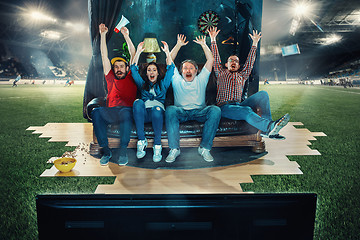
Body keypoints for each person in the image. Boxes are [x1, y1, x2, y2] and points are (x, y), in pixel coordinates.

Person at [208, 26, 290, 140]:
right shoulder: (220, 72)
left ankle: (267, 129)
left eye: (236, 61)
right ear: (226, 64)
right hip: (225, 107)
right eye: (231, 60)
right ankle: (268, 127)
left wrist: (255, 43)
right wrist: (213, 40)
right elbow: (216, 58)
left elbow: (250, 62)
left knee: (263, 94)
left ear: (238, 65)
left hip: (240, 104)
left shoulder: (242, 75)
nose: (233, 62)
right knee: (246, 110)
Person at [165, 35, 221, 163]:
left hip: (199, 112)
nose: (188, 70)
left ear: (196, 71)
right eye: (185, 68)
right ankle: (174, 149)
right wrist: (178, 45)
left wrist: (203, 44)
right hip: (181, 112)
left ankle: (205, 148)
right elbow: (169, 60)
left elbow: (210, 59)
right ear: (181, 71)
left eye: (191, 68)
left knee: (215, 110)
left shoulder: (201, 78)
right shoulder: (176, 78)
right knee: (170, 110)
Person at [91, 23, 137, 166]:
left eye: (121, 66)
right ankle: (106, 150)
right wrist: (103, 35)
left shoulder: (131, 76)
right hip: (111, 111)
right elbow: (104, 56)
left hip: (126, 111)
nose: (118, 69)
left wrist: (126, 36)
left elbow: (133, 53)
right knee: (96, 112)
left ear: (127, 67)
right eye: (116, 66)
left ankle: (123, 151)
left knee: (124, 112)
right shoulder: (110, 77)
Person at [130, 40, 175, 162]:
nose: (151, 72)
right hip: (144, 114)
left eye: (154, 70)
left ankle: (157, 145)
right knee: (138, 102)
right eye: (149, 70)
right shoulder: (142, 84)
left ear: (158, 72)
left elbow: (171, 70)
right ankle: (141, 141)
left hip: (158, 113)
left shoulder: (163, 84)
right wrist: (138, 52)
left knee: (156, 109)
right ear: (146, 73)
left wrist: (167, 53)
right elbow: (133, 70)